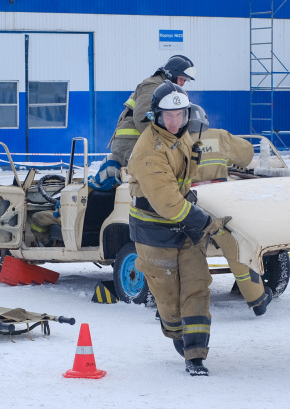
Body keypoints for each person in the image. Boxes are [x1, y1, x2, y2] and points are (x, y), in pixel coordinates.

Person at [127, 80, 231, 376]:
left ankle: (196, 354)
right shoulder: (149, 150)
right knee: (170, 300)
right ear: (155, 117)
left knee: (198, 286)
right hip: (155, 232)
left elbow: (184, 182)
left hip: (184, 227)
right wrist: (204, 221)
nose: (175, 122)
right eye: (168, 116)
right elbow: (169, 203)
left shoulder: (182, 136)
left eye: (180, 115)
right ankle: (175, 332)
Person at [187, 104, 272, 316]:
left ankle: (177, 308)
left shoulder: (178, 141)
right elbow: (246, 155)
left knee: (189, 257)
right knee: (237, 251)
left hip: (190, 207)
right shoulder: (220, 137)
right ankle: (257, 300)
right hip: (219, 205)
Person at [107, 55, 197, 168]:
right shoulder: (153, 86)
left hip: (141, 141)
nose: (183, 83)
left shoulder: (168, 90)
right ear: (170, 74)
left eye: (185, 80)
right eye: (181, 78)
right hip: (131, 142)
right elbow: (142, 117)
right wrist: (163, 143)